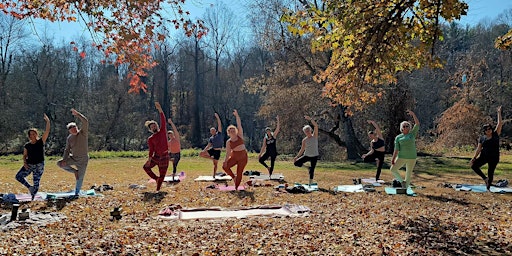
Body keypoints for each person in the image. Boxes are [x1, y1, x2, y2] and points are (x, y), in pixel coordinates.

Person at [16, 114, 50, 200]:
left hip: (39, 165)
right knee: (18, 176)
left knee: (36, 182)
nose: (32, 136)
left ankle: (33, 197)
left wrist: (48, 122)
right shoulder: (27, 145)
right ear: (29, 136)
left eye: (34, 134)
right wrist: (25, 163)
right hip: (29, 164)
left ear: (36, 134)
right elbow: (24, 155)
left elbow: (47, 132)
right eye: (30, 134)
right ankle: (29, 187)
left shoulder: (40, 142)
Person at [57, 109, 89, 197]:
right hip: (73, 158)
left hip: (83, 160)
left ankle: (77, 192)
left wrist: (77, 114)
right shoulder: (69, 138)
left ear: (77, 128)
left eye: (75, 128)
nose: (74, 130)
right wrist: (64, 159)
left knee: (80, 177)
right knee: (59, 163)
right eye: (72, 129)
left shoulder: (83, 133)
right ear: (69, 131)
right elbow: (67, 150)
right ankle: (75, 171)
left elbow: (85, 121)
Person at [471, 106, 503, 191]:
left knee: (490, 172)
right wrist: (474, 157)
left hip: (494, 157)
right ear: (484, 131)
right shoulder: (482, 138)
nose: (489, 130)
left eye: (490, 129)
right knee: (474, 166)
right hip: (484, 156)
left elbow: (500, 124)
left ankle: (488, 188)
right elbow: (478, 148)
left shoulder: (495, 135)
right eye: (487, 129)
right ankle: (485, 179)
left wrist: (499, 113)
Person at [389, 110, 419, 189]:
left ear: (409, 127)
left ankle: (405, 188)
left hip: (412, 157)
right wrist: (393, 159)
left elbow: (417, 124)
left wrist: (413, 114)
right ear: (401, 128)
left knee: (408, 173)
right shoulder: (398, 137)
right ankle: (402, 182)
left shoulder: (412, 134)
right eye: (404, 126)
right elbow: (396, 149)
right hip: (401, 157)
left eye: (407, 126)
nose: (405, 127)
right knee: (393, 169)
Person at [143, 102, 169, 192]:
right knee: (145, 167)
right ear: (150, 130)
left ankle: (158, 189)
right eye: (152, 127)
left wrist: (160, 110)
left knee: (162, 174)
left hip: (165, 156)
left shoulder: (162, 131)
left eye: (155, 126)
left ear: (157, 126)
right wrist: (149, 159)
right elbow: (151, 150)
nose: (154, 127)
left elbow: (163, 120)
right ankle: (156, 178)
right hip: (156, 156)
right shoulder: (150, 139)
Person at [222, 109, 248, 190]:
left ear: (236, 131)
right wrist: (225, 161)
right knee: (224, 167)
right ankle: (233, 177)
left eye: (234, 130)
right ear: (228, 133)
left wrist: (237, 116)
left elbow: (239, 125)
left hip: (243, 157)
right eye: (231, 131)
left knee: (239, 172)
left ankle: (236, 187)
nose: (232, 132)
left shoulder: (239, 135)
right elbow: (228, 153)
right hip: (234, 157)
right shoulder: (228, 142)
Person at [294, 116, 319, 185]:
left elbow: (316, 126)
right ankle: (307, 167)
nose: (307, 132)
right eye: (306, 131)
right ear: (304, 132)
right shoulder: (304, 140)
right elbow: (302, 149)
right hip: (307, 155)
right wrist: (297, 156)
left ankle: (310, 183)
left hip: (314, 155)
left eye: (308, 130)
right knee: (296, 163)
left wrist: (310, 119)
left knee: (312, 170)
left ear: (310, 130)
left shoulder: (315, 136)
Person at [199, 113, 224, 178]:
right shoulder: (211, 138)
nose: (213, 132)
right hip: (212, 150)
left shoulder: (219, 134)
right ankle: (211, 158)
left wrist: (217, 117)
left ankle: (214, 175)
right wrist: (204, 151)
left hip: (217, 151)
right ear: (210, 132)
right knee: (201, 154)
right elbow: (208, 145)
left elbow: (219, 124)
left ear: (215, 131)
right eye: (211, 131)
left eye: (213, 130)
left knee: (215, 164)